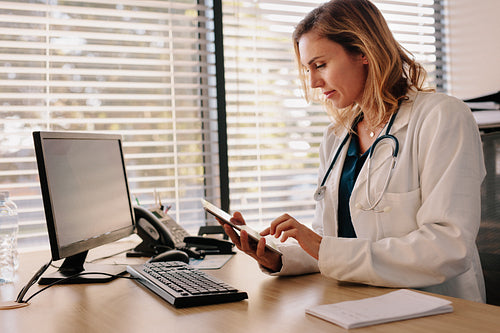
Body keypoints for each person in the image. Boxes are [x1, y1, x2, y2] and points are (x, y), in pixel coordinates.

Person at [221, 0, 486, 303]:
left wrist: (322, 247)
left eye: (320, 65)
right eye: (308, 69)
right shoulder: (337, 138)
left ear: (363, 51)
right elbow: (333, 247)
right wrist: (277, 257)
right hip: (353, 305)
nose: (313, 82)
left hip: (434, 308)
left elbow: (448, 247)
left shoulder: (441, 117)